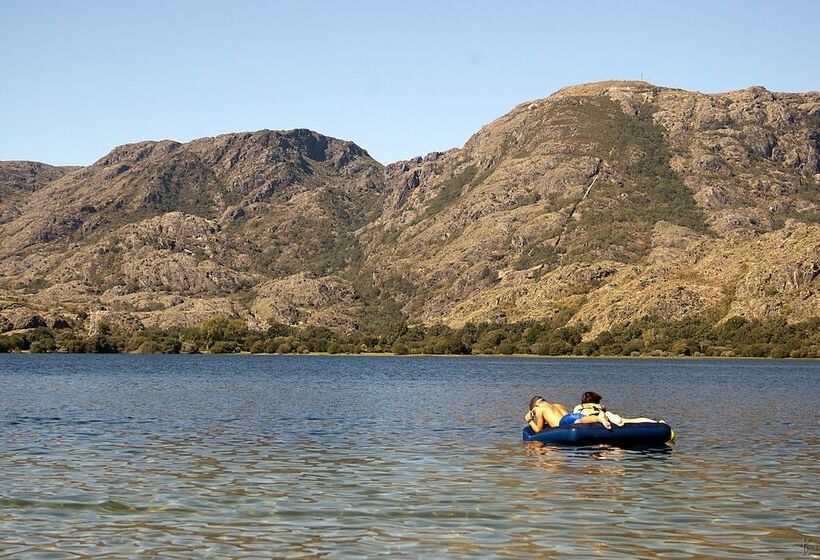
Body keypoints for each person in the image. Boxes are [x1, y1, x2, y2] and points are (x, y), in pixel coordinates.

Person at [525, 395, 611, 433]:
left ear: (536, 405)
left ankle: (599, 418)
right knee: (580, 419)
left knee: (579, 421)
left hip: (564, 422)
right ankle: (599, 417)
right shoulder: (558, 405)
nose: (535, 414)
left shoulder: (539, 409)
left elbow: (539, 430)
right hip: (572, 416)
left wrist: (530, 420)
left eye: (533, 412)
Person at [572, 391, 660, 425]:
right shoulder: (601, 406)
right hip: (608, 416)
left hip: (592, 418)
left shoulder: (579, 407)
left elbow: (576, 416)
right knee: (633, 420)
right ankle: (657, 422)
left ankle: (602, 419)